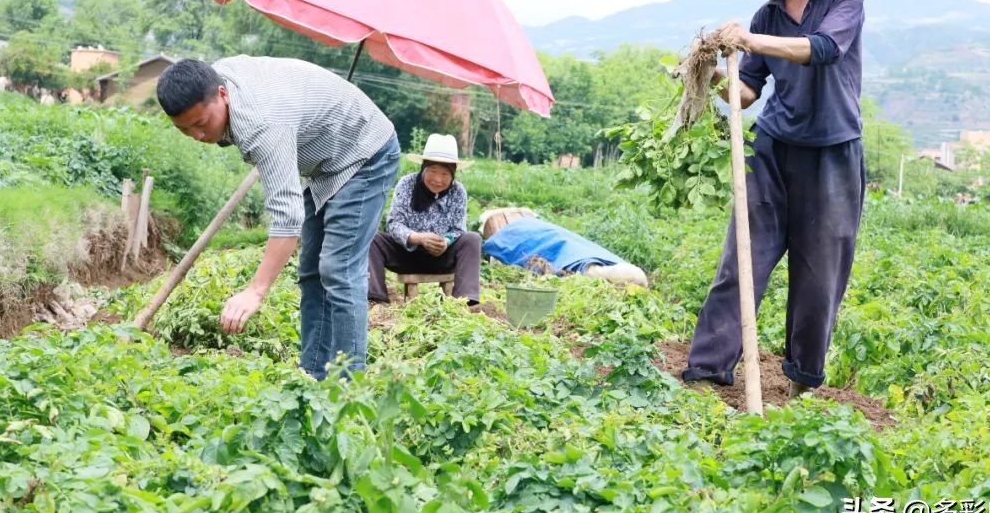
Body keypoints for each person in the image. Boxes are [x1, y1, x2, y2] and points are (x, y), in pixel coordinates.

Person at [682, 0, 866, 398]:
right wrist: (714, 71)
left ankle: (802, 379)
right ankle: (707, 369)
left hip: (832, 154)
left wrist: (752, 40)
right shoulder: (768, 14)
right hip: (774, 149)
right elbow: (746, 93)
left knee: (819, 273)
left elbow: (822, 49)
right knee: (743, 256)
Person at [156, 55, 400, 380]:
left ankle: (349, 386)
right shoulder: (217, 77)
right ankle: (313, 374)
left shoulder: (261, 124)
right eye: (184, 129)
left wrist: (255, 290)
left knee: (338, 269)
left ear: (222, 94)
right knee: (312, 271)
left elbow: (287, 215)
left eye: (201, 124)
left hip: (365, 151)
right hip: (324, 162)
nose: (197, 136)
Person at [368, 134, 482, 304]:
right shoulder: (407, 184)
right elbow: (394, 224)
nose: (438, 179)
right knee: (372, 237)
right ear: (423, 168)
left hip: (442, 257)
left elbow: (458, 229)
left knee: (472, 238)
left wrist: (445, 241)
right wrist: (418, 238)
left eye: (444, 174)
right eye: (433, 171)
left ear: (453, 174)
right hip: (406, 255)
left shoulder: (458, 191)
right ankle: (376, 299)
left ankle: (466, 301)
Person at [480, 207, 648, 288]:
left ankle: (621, 278)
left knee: (591, 268)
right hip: (540, 235)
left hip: (573, 252)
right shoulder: (522, 227)